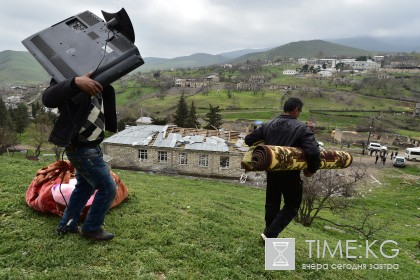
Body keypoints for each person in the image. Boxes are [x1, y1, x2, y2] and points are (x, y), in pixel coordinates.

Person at [42, 72, 118, 241]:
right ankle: (91, 228)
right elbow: (48, 98)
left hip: (92, 146)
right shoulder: (66, 72)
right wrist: (75, 82)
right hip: (82, 148)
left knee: (85, 187)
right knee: (108, 188)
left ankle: (67, 224)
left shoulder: (100, 76)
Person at [245, 97, 321, 240]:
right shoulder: (301, 128)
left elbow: (249, 139)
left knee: (272, 203)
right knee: (292, 205)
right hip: (290, 175)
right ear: (296, 110)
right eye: (300, 111)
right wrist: (311, 169)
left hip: (272, 172)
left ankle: (268, 233)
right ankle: (269, 234)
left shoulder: (268, 125)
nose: (299, 114)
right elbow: (313, 151)